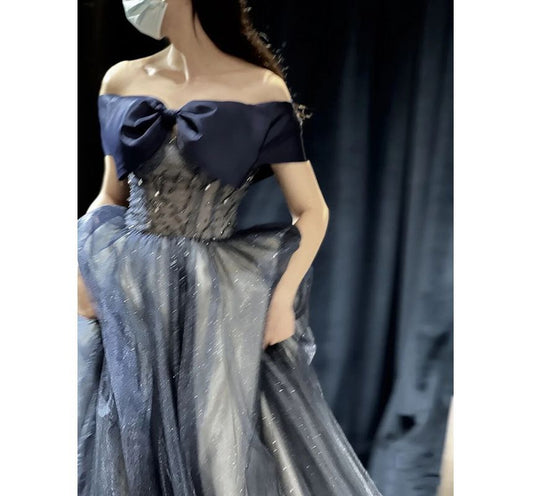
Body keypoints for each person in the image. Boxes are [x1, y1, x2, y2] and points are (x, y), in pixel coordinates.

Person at [78, 1, 383, 494]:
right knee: (125, 443)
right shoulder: (122, 79)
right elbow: (109, 196)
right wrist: (79, 270)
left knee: (216, 449)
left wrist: (281, 300)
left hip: (214, 297)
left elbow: (312, 210)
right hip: (129, 290)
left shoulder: (260, 89)